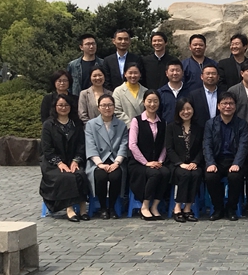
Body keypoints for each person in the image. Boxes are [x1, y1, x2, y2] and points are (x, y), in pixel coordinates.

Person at [39, 94, 89, 221]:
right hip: (53, 164)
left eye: (66, 105)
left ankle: (83, 208)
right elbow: (47, 149)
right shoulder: (49, 125)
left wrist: (76, 160)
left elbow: (81, 145)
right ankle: (69, 209)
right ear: (55, 107)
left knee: (80, 174)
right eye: (60, 105)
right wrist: (59, 163)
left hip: (72, 160)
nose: (63, 107)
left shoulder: (76, 124)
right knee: (66, 177)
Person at [203, 92, 248, 221]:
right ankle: (218, 208)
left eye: (231, 103)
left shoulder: (242, 124)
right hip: (217, 160)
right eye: (224, 103)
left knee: (235, 176)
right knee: (210, 176)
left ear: (235, 106)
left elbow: (243, 146)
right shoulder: (210, 124)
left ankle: (231, 208)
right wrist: (211, 163)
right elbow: (207, 145)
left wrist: (237, 163)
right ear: (218, 106)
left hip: (234, 160)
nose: (228, 106)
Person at [84, 94, 128, 219]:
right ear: (98, 108)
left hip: (115, 159)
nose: (107, 108)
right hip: (97, 161)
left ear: (114, 107)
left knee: (116, 176)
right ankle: (103, 207)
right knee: (100, 176)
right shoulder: (91, 124)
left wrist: (117, 163)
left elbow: (123, 145)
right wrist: (100, 164)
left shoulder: (121, 125)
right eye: (103, 105)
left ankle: (112, 207)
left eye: (110, 105)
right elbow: (90, 145)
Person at [128, 90, 170, 220]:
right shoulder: (136, 121)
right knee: (154, 174)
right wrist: (146, 162)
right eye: (149, 101)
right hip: (138, 163)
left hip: (156, 162)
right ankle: (145, 206)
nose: (152, 104)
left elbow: (165, 145)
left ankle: (155, 206)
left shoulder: (163, 122)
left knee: (165, 172)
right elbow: (132, 145)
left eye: (155, 101)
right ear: (144, 102)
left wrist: (160, 161)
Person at [165, 98, 204, 223]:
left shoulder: (199, 128)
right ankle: (177, 207)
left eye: (188, 109)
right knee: (184, 174)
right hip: (176, 164)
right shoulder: (171, 127)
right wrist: (180, 164)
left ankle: (187, 208)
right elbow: (169, 149)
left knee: (196, 174)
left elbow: (202, 149)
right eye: (182, 109)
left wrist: (195, 162)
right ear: (178, 111)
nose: (186, 112)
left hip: (194, 163)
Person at [189, 64, 225, 129]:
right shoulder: (194, 95)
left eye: (213, 74)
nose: (210, 76)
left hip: (221, 130)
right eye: (208, 74)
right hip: (200, 131)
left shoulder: (223, 94)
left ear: (218, 77)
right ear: (202, 76)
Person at [158, 59, 191, 124]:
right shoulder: (160, 93)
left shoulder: (190, 92)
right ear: (166, 73)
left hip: (186, 128)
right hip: (166, 128)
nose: (175, 73)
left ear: (182, 73)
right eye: (172, 70)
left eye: (178, 70)